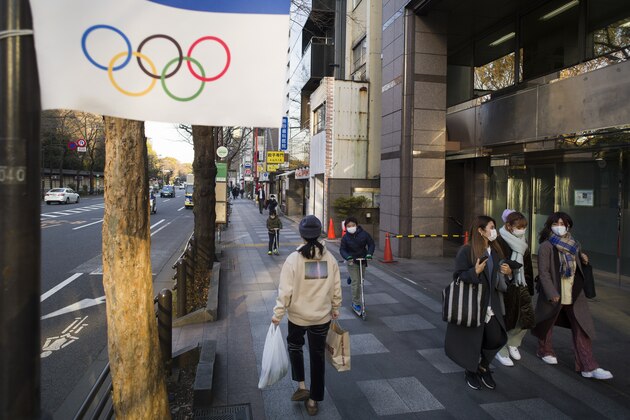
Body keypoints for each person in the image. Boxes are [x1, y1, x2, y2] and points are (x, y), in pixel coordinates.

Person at [272, 215, 342, 416]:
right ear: (319, 234)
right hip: (321, 317)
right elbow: (336, 287)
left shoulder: (293, 259)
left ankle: (302, 385)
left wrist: (278, 314)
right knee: (318, 356)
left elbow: (285, 291)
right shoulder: (330, 259)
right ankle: (313, 401)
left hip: (297, 317)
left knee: (295, 347)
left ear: (301, 235)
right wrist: (335, 307)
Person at [531, 212, 613, 380]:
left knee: (582, 328)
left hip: (574, 292)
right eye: (556, 223)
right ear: (550, 225)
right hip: (555, 291)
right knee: (548, 322)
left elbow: (577, 268)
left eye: (563, 223)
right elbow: (544, 273)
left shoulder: (574, 244)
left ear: (568, 225)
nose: (559, 226)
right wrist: (551, 292)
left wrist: (582, 260)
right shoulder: (546, 246)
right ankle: (544, 350)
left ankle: (588, 366)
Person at [445, 215, 512, 390]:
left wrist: (507, 272)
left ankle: (483, 366)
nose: (494, 231)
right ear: (481, 231)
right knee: (473, 340)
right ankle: (471, 370)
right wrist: (474, 271)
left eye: (494, 227)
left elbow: (498, 280)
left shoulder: (496, 250)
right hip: (474, 304)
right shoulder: (466, 251)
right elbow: (458, 276)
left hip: (492, 304)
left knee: (497, 337)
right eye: (491, 227)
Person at [494, 209, 535, 367]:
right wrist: (508, 273)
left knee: (525, 318)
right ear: (509, 226)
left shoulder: (522, 241)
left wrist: (529, 287)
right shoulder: (499, 241)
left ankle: (513, 342)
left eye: (524, 226)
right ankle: (501, 350)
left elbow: (528, 266)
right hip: (505, 286)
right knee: (506, 320)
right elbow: (497, 263)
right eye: (519, 226)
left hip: (521, 284)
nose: (522, 229)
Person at [339, 217, 375, 313]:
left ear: (356, 225)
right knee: (356, 283)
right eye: (348, 226)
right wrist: (348, 257)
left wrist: (369, 254)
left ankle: (352, 277)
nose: (351, 227)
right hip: (352, 261)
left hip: (362, 260)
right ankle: (356, 303)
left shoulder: (364, 234)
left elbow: (371, 244)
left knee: (361, 281)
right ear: (346, 227)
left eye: (353, 225)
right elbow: (342, 249)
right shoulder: (345, 238)